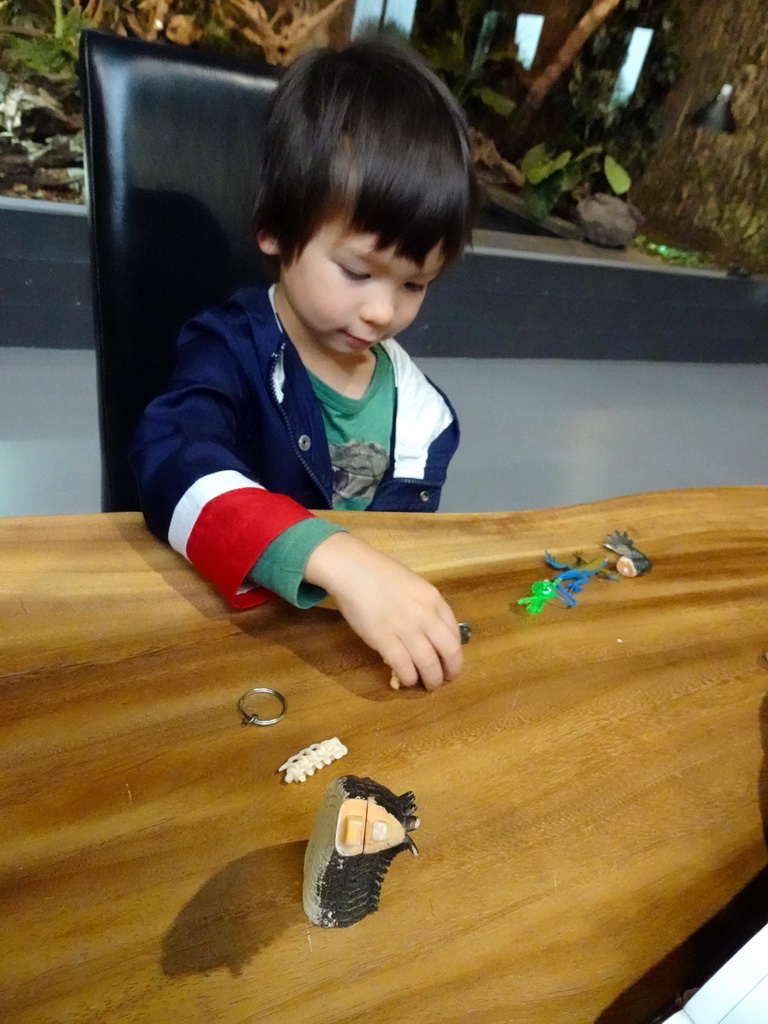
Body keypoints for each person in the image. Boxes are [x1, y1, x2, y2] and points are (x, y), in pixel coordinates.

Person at [130, 36, 478, 691]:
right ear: (275, 227)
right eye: (356, 271)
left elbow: (402, 556)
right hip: (223, 648)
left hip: (337, 663)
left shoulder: (422, 418)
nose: (382, 312)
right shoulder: (226, 349)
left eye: (414, 283)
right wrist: (334, 556)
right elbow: (170, 459)